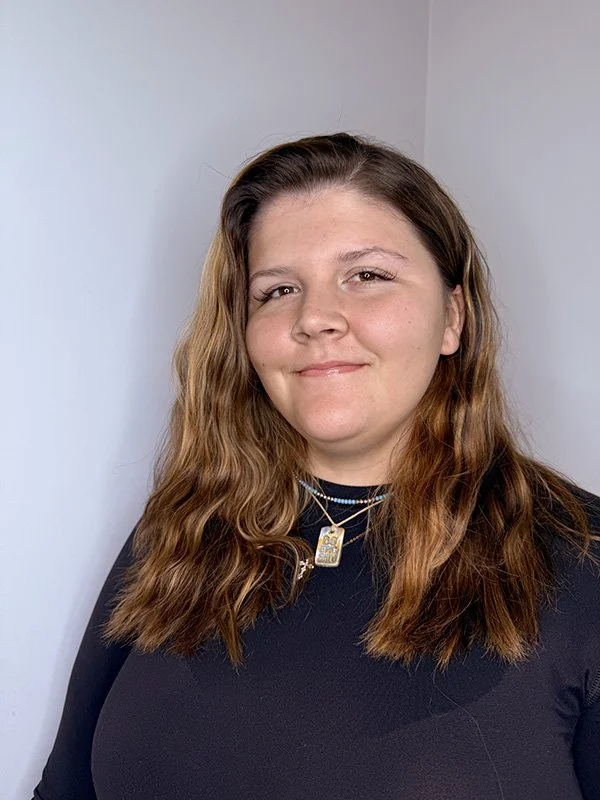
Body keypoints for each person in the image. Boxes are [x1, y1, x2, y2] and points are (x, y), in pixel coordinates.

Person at [33, 133, 600, 800]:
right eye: (277, 289)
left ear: (453, 317)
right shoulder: (180, 530)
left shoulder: (581, 558)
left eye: (367, 276)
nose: (316, 317)